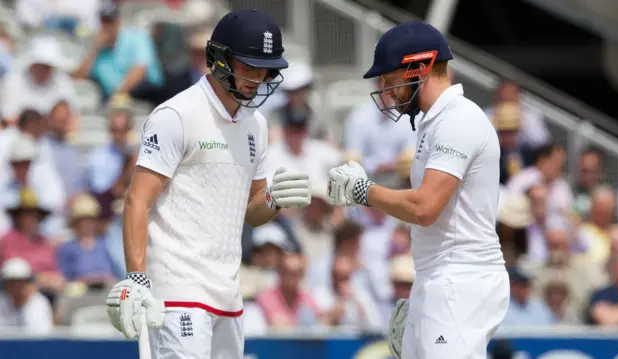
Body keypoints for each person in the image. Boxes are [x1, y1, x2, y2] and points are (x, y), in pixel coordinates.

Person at [104, 9, 312, 359]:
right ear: (218, 59)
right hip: (175, 291)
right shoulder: (176, 115)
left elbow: (253, 213)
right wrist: (137, 279)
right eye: (248, 66)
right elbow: (137, 201)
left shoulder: (257, 126)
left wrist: (274, 199)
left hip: (229, 295)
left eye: (264, 69)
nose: (257, 79)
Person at [326, 22, 509, 358]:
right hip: (440, 277)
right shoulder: (435, 121)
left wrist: (363, 190)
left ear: (419, 68)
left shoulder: (458, 119)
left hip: (460, 278)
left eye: (390, 78)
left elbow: (424, 208)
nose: (386, 89)